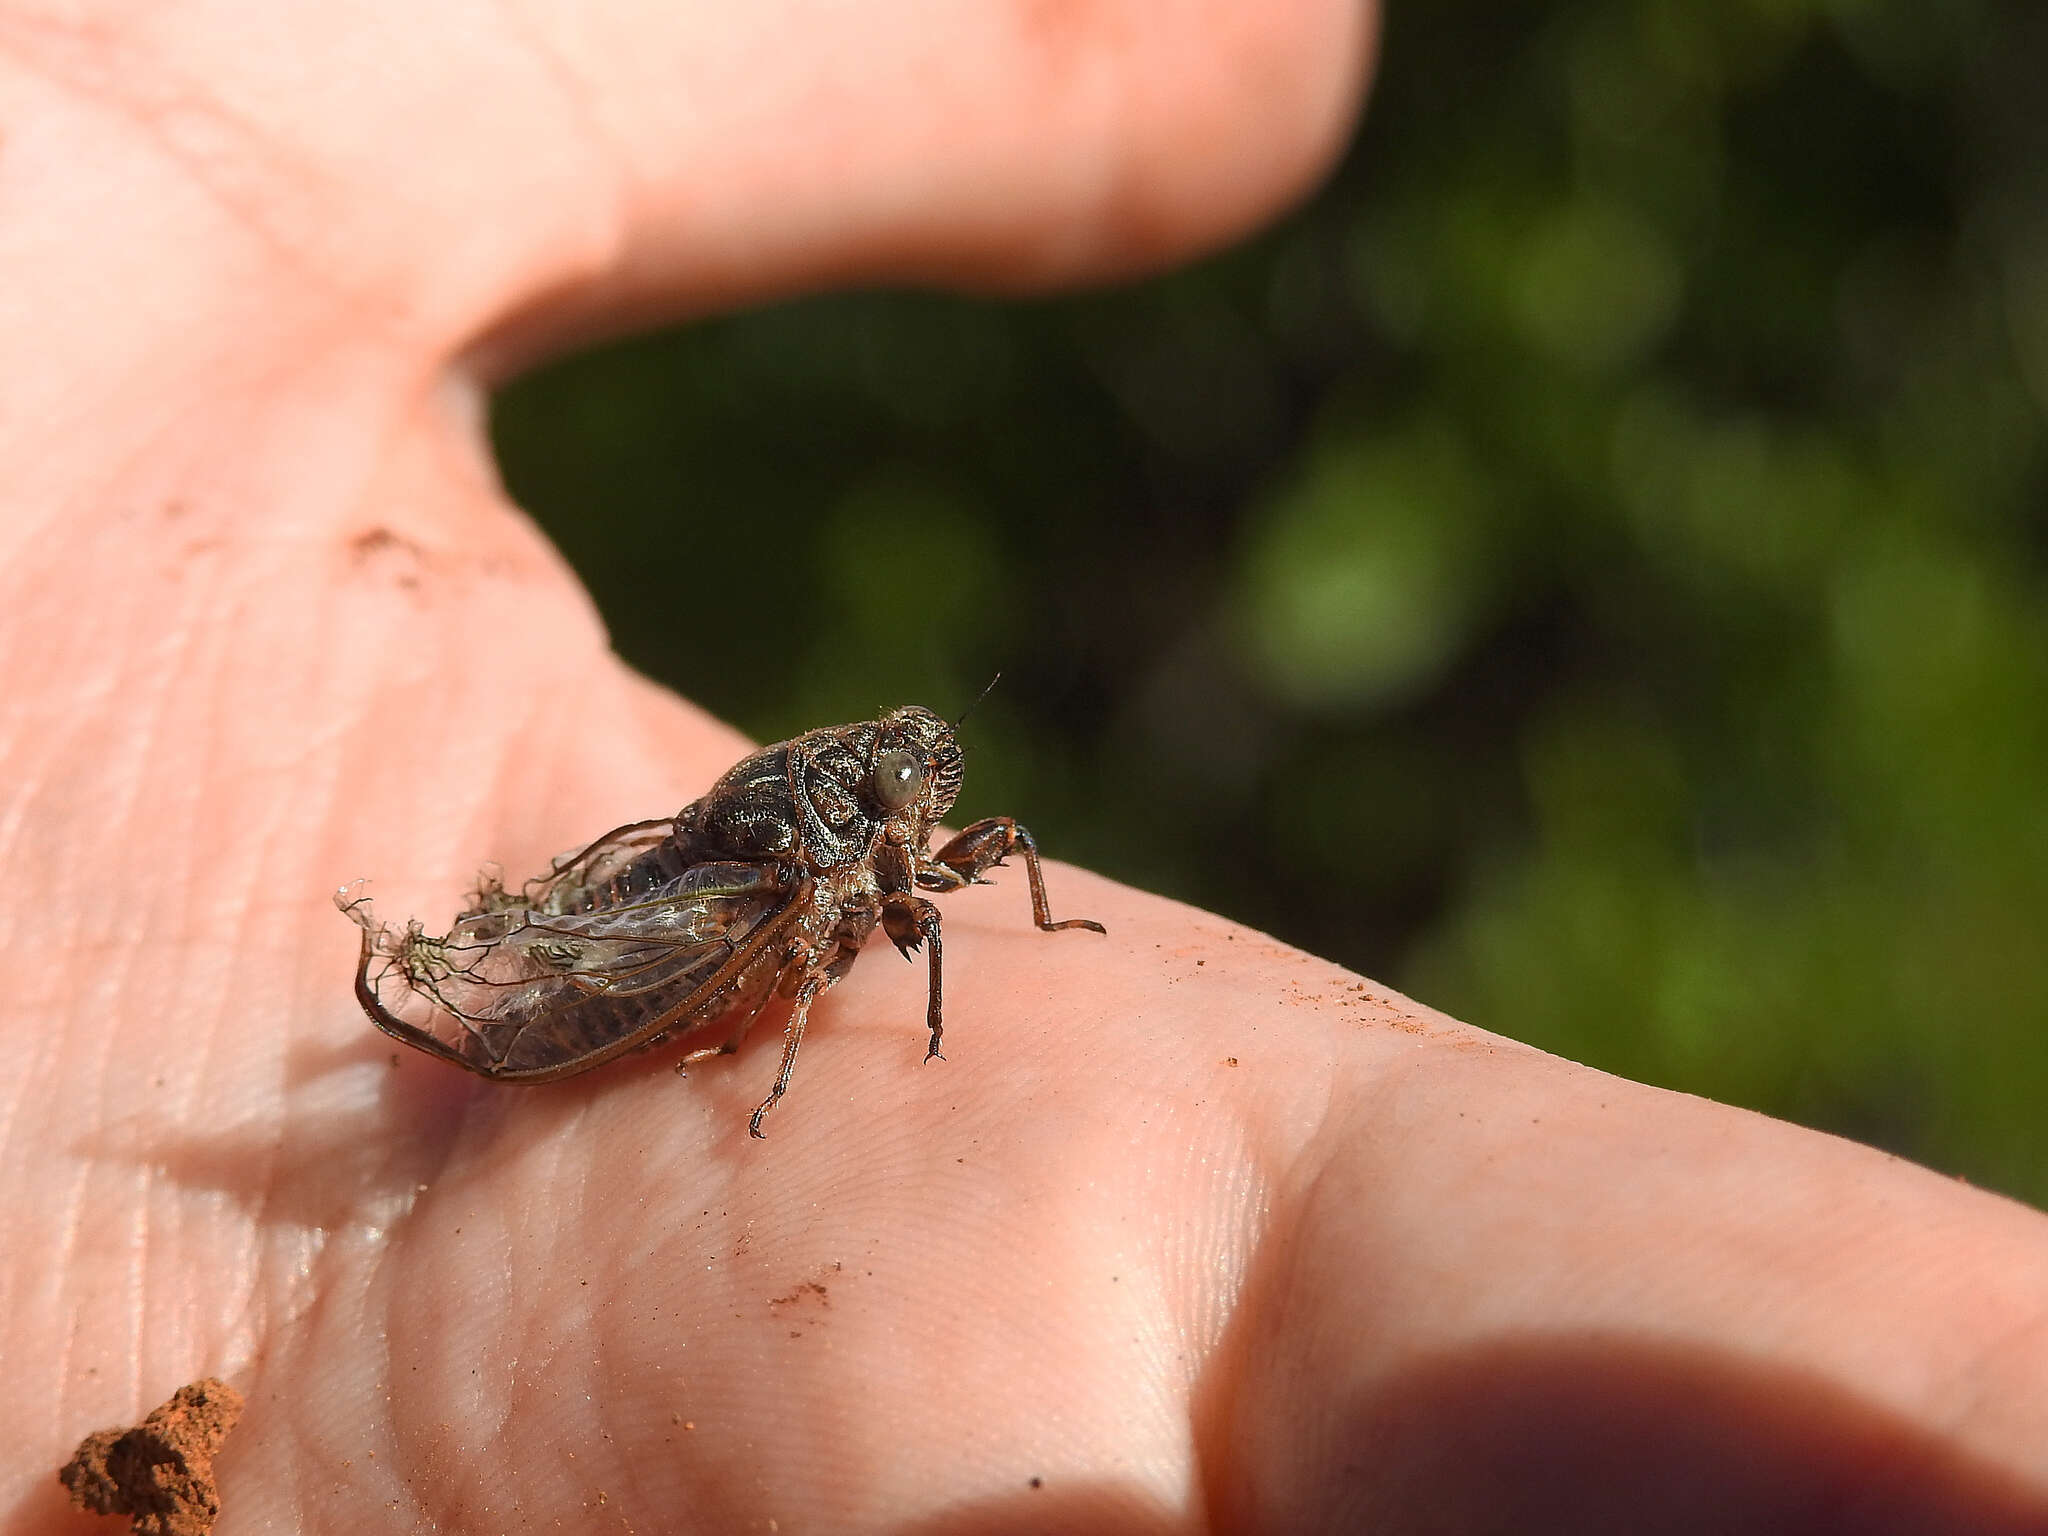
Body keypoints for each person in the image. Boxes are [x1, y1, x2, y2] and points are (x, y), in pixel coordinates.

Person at [5, 3, 2045, 1530]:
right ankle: (502, 978)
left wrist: (924, 937)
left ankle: (510, 975)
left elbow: (935, 882)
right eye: (915, 793)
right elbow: (803, 890)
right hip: (711, 889)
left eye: (920, 796)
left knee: (751, 907)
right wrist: (799, 1036)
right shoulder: (843, 852)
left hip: (745, 882)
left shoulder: (916, 845)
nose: (933, 818)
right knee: (650, 923)